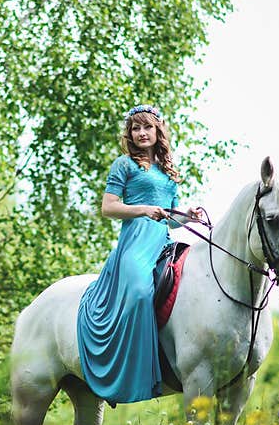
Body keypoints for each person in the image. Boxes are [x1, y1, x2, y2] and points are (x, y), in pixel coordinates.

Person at [77, 104, 203, 406]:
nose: (141, 133)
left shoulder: (169, 171)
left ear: (158, 130)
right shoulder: (124, 165)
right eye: (136, 128)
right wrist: (143, 209)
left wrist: (186, 216)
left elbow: (169, 218)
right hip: (134, 244)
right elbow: (108, 207)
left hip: (162, 243)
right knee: (137, 292)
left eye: (147, 127)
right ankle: (123, 362)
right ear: (130, 134)